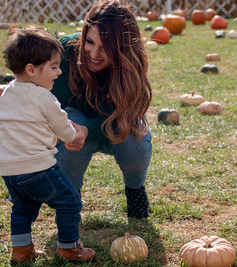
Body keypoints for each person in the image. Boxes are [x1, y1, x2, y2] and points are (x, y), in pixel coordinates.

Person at [0, 25, 95, 264]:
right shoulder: (44, 97)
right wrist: (78, 132)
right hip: (38, 168)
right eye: (53, 67)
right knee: (69, 201)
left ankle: (21, 250)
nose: (59, 72)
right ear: (31, 70)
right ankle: (69, 248)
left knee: (23, 208)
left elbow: (22, 124)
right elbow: (65, 130)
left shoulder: (8, 92)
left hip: (10, 170)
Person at [51, 0, 153, 219]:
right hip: (74, 125)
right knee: (70, 124)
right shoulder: (66, 52)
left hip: (117, 124)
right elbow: (48, 102)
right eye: (89, 42)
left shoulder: (130, 64)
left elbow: (125, 113)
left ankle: (135, 190)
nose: (94, 54)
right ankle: (70, 198)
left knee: (136, 138)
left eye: (106, 48)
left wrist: (88, 129)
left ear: (122, 48)